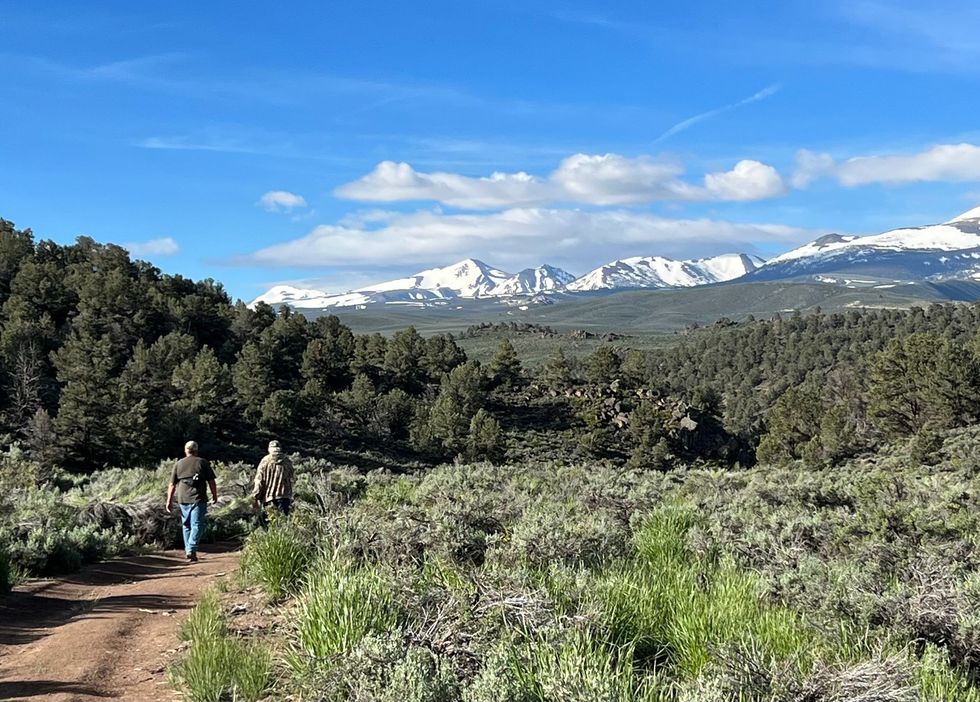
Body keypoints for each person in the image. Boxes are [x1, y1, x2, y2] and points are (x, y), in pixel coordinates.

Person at [165, 440, 218, 562]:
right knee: (197, 525)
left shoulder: (179, 464)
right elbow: (211, 481)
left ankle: (189, 550)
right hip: (198, 498)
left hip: (182, 498)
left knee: (187, 525)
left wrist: (169, 500)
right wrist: (215, 495)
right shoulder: (202, 462)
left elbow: (172, 484)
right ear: (196, 450)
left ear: (186, 450)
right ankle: (191, 549)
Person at [251, 439, 295, 521]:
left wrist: (255, 496)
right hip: (284, 497)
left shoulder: (265, 461)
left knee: (268, 523)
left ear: (269, 449)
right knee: (283, 523)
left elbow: (259, 480)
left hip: (268, 498)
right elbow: (292, 477)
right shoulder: (287, 461)